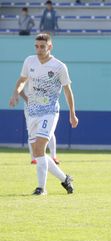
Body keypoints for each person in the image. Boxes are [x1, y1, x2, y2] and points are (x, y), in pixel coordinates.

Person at [8, 32, 78, 195]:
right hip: (31, 112)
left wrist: (72, 114)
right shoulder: (29, 61)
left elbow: (68, 91)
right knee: (38, 153)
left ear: (50, 47)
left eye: (42, 47)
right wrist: (15, 93)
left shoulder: (59, 67)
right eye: (36, 46)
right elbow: (22, 80)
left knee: (39, 148)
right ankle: (65, 179)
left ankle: (41, 188)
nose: (39, 49)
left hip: (49, 111)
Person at [19, 89, 61, 165]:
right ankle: (34, 158)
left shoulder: (47, 78)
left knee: (49, 131)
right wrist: (27, 100)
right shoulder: (26, 77)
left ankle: (53, 157)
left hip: (45, 106)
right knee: (31, 132)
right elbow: (19, 88)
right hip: (30, 108)